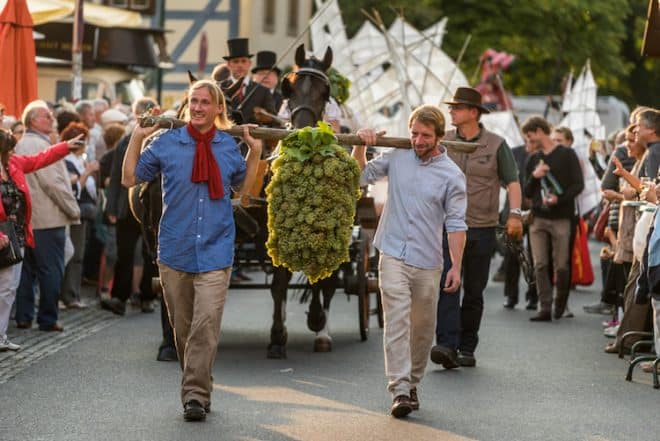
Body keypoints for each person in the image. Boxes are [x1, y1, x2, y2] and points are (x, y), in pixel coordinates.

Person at [122, 79, 263, 421]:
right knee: (183, 329)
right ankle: (200, 381)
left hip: (216, 249)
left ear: (218, 109)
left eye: (205, 102)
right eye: (193, 101)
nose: (199, 107)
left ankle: (194, 396)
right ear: (187, 106)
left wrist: (255, 152)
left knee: (206, 323)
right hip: (174, 250)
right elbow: (130, 179)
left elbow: (246, 194)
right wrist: (138, 137)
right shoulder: (167, 143)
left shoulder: (228, 148)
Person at [352, 104, 467, 418]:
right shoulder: (398, 155)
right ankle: (400, 388)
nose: (417, 140)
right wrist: (360, 146)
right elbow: (360, 174)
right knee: (397, 321)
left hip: (428, 260)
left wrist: (455, 265)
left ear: (439, 137)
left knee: (422, 328)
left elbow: (456, 224)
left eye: (425, 136)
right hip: (392, 252)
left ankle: (414, 380)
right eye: (414, 133)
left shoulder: (452, 176)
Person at [431, 87, 522, 369]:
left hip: (482, 228)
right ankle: (446, 345)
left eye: (457, 108)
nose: (451, 112)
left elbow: (513, 182)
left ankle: (467, 347)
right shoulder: (442, 141)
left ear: (473, 113)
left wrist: (515, 215)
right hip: (447, 227)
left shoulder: (496, 144)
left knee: (473, 291)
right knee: (448, 285)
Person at [0, 129, 82, 350]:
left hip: (15, 234)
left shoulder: (14, 163)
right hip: (2, 233)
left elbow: (40, 159)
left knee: (10, 287)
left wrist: (64, 147)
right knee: (4, 286)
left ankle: (1, 334)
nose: (13, 153)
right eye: (9, 150)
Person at [14, 101, 81, 332]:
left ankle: (23, 316)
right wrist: (73, 210)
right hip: (48, 218)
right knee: (51, 270)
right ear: (33, 120)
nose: (52, 118)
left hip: (29, 220)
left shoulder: (23, 143)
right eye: (46, 115)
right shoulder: (35, 144)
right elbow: (54, 184)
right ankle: (47, 318)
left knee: (26, 272)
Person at [522, 116, 584, 321]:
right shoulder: (533, 159)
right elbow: (527, 191)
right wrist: (535, 176)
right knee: (539, 263)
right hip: (538, 218)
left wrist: (560, 199)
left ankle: (560, 303)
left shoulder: (567, 154)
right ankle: (545, 306)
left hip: (561, 217)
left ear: (540, 131)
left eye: (531, 137)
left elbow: (578, 184)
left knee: (562, 265)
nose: (529, 141)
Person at [60, 122, 99, 309]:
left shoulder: (78, 160)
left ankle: (72, 293)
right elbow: (73, 189)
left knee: (78, 254)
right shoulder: (68, 161)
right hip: (74, 212)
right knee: (75, 254)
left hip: (83, 213)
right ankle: (69, 295)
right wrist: (88, 172)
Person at [220, 38, 275, 125]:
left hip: (254, 137)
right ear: (228, 64)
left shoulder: (263, 91)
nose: (240, 65)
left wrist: (265, 116)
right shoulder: (219, 88)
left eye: (243, 61)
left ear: (250, 63)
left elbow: (273, 119)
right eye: (236, 61)